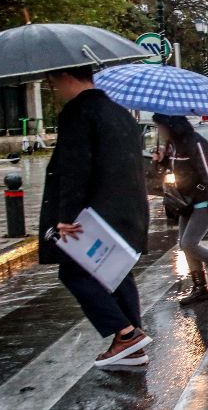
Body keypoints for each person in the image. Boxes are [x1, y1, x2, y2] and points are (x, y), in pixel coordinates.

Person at [38, 66, 152, 368]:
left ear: (64, 77)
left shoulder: (78, 113)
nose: (53, 89)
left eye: (52, 81)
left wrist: (65, 216)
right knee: (116, 272)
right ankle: (132, 345)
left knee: (74, 273)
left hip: (93, 215)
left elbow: (75, 169)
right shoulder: (120, 112)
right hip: (127, 210)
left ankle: (126, 334)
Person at [152, 115, 208, 305]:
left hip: (202, 201)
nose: (159, 130)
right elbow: (174, 171)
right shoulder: (172, 145)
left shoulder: (197, 143)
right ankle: (201, 289)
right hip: (185, 202)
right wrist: (161, 160)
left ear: (171, 125)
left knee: (189, 243)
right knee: (184, 245)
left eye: (160, 126)